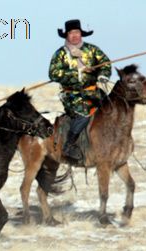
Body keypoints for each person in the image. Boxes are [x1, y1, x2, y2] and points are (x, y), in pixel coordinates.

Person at [48, 19, 112, 161]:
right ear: (67, 36)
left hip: (94, 91)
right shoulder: (60, 54)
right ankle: (69, 144)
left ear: (81, 33)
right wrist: (77, 74)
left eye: (77, 32)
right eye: (71, 33)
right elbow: (53, 73)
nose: (75, 35)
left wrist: (103, 75)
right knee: (85, 112)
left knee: (112, 109)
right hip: (72, 95)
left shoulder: (93, 50)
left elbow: (105, 64)